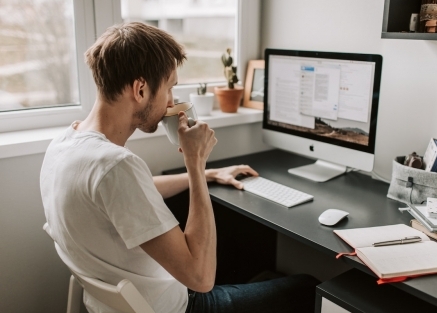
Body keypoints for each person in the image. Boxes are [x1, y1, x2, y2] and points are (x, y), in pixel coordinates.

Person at [40, 22, 318, 313]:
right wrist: (196, 163)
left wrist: (209, 175)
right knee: (306, 287)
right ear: (140, 89)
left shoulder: (64, 143)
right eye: (170, 87)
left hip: (108, 305)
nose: (172, 101)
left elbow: (126, 194)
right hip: (181, 306)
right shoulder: (116, 166)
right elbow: (200, 278)